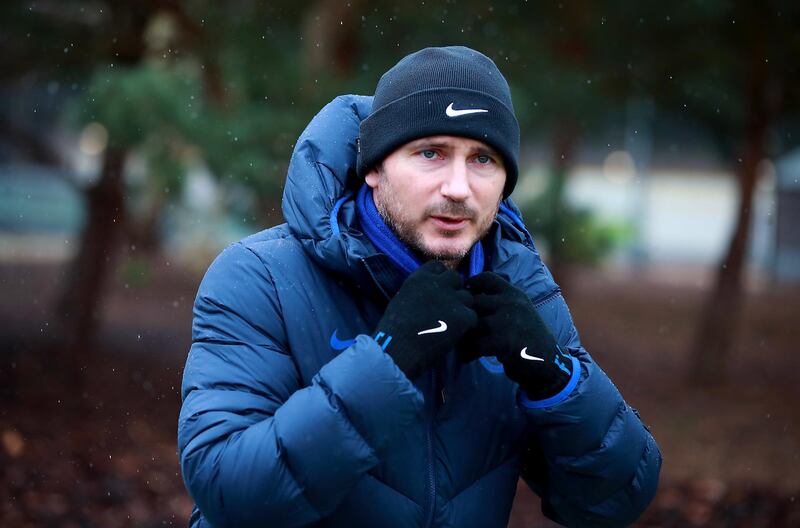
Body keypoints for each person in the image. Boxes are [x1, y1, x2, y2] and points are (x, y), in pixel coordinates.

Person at [178, 46, 661, 528]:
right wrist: (384, 363)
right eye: (431, 153)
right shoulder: (259, 276)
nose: (458, 187)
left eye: (483, 159)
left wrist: (557, 380)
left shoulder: (518, 285)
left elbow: (614, 500)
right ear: (374, 166)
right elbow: (229, 489)